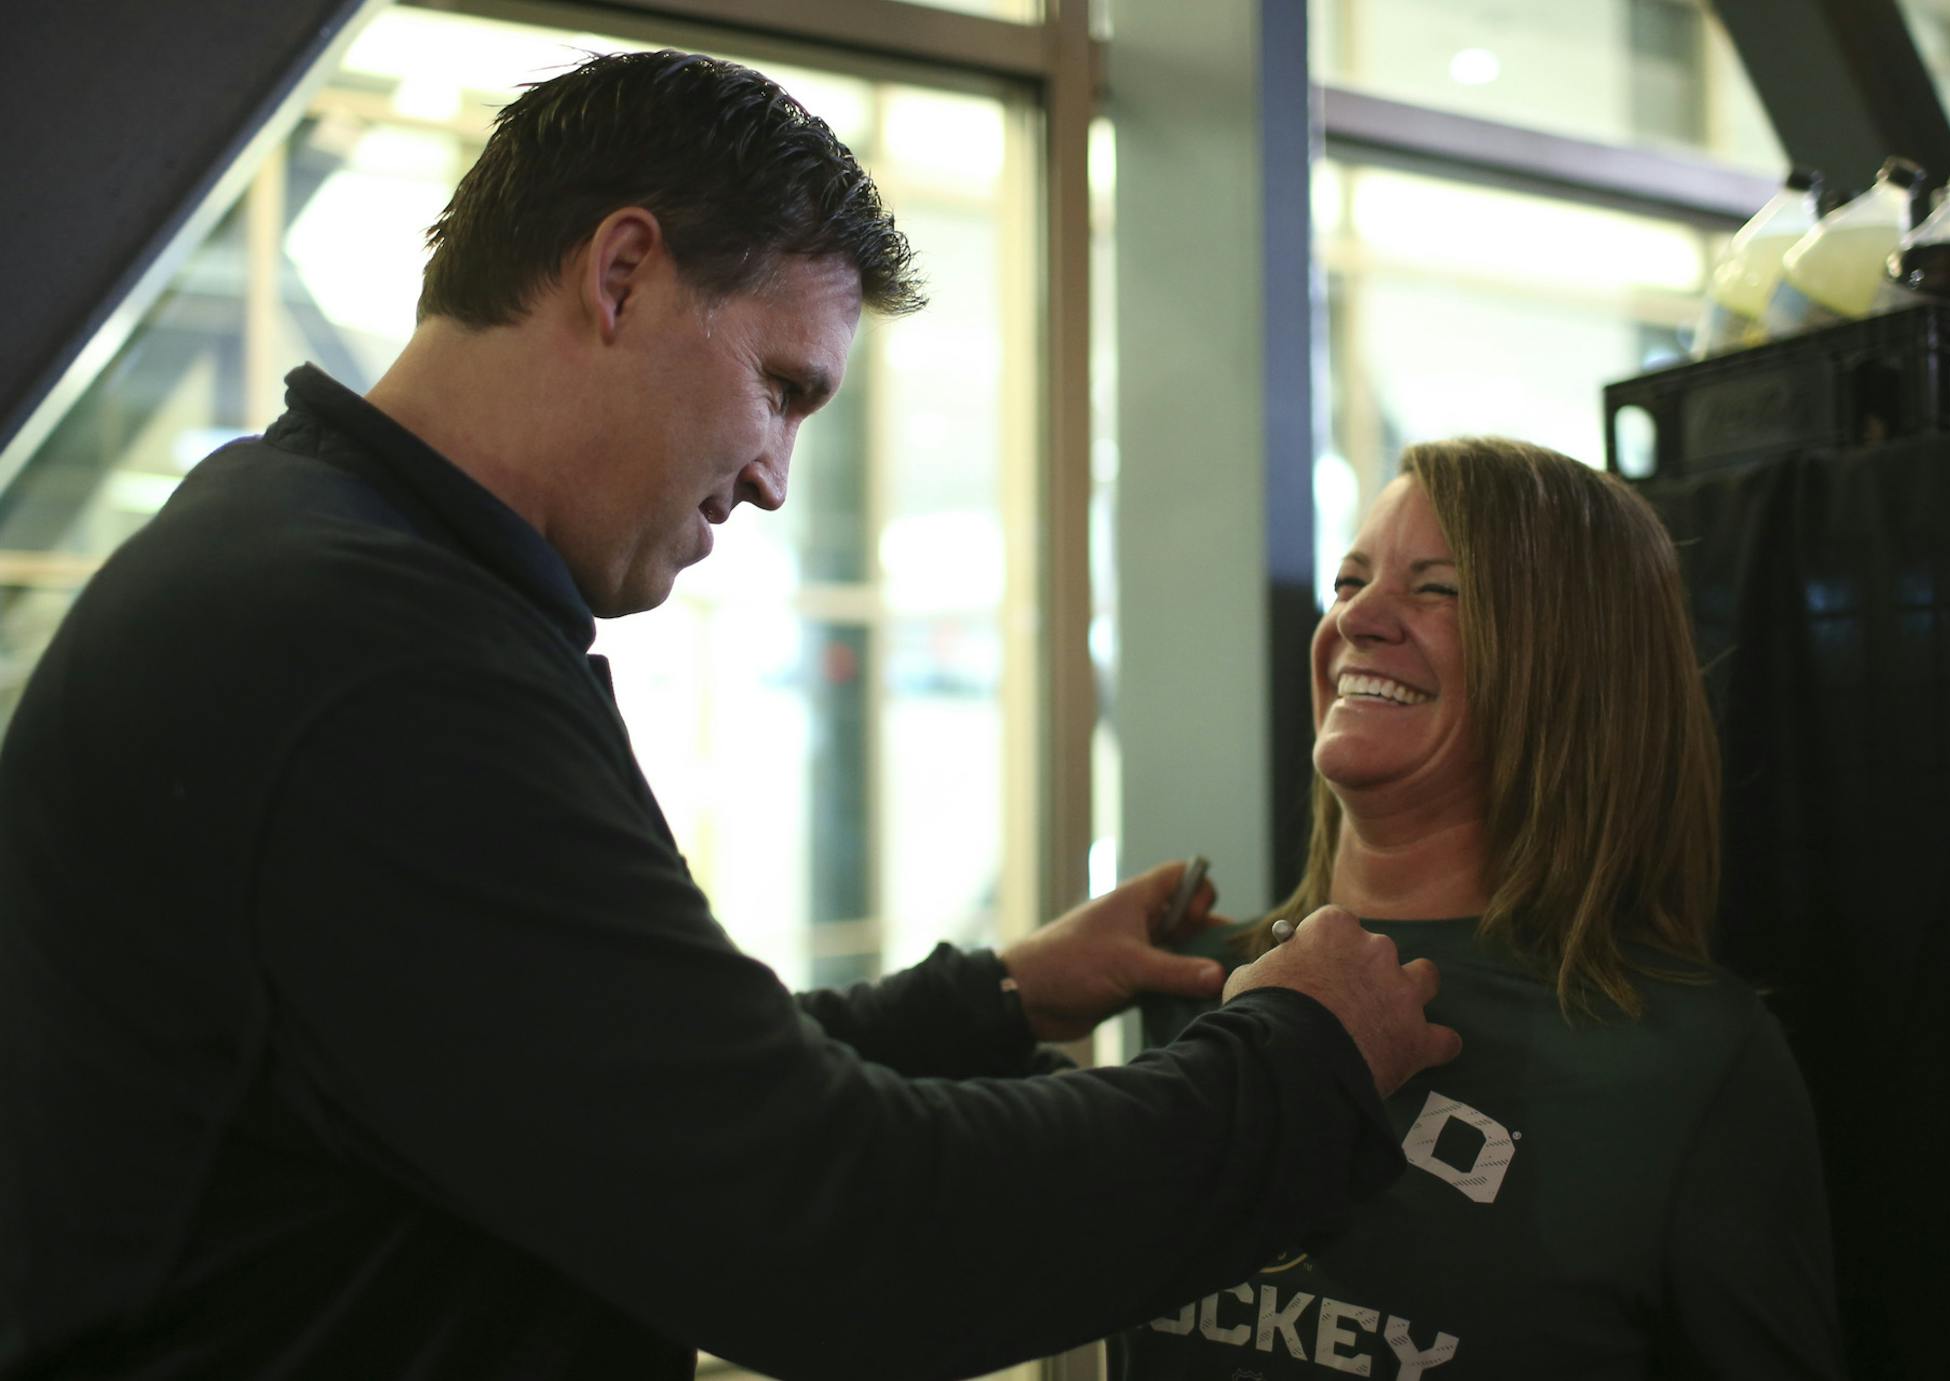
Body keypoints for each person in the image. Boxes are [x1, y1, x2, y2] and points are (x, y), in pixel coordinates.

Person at [0, 51, 1463, 1381]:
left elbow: (595, 1081)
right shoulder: (374, 661)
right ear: (622, 271)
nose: (772, 474)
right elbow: (835, 1233)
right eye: (778, 387)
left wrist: (996, 1003)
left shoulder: (307, 552)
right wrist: (1300, 1062)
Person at [1114, 439, 1844, 1379]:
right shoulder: (1193, 981)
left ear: (1572, 658)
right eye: (1348, 580)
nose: (1357, 618)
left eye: (1438, 589)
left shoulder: (1688, 1055)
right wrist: (1003, 989)